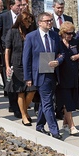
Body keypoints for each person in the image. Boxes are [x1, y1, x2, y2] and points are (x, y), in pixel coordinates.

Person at [23, 12, 64, 140]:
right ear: (40, 22)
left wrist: (58, 61)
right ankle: (54, 130)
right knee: (48, 102)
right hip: (39, 74)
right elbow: (26, 58)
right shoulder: (31, 37)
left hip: (52, 73)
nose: (49, 23)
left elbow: (62, 53)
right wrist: (28, 77)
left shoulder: (54, 36)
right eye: (47, 21)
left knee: (44, 101)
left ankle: (40, 125)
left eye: (51, 20)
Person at [5, 11, 37, 126]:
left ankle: (24, 109)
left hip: (29, 64)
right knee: (20, 91)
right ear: (22, 22)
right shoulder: (12, 32)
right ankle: (24, 115)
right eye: (28, 22)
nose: (29, 24)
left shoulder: (30, 32)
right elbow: (7, 49)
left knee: (32, 89)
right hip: (17, 64)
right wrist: (7, 66)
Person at [56, 21, 79, 135]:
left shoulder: (75, 42)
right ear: (62, 33)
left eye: (72, 33)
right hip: (62, 75)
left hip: (73, 74)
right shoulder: (57, 43)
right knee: (67, 102)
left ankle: (65, 124)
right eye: (67, 33)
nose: (70, 35)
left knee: (72, 99)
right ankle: (72, 126)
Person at [0, 0, 23, 117]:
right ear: (11, 6)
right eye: (18, 5)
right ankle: (13, 105)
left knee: (19, 79)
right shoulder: (3, 17)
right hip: (7, 53)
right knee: (10, 79)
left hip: (20, 53)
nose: (20, 8)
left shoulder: (23, 18)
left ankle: (20, 103)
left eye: (21, 5)